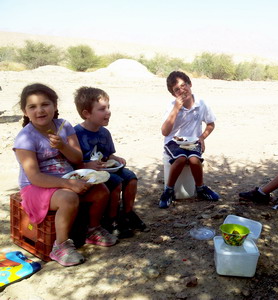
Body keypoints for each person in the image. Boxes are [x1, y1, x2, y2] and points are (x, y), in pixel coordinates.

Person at [13, 83, 117, 267]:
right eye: (33, 106)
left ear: (55, 106)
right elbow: (35, 177)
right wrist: (68, 184)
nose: (40, 110)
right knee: (69, 198)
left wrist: (63, 146)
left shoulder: (63, 126)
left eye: (45, 104)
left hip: (68, 177)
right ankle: (60, 246)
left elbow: (77, 158)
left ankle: (92, 230)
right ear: (25, 111)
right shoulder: (25, 138)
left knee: (101, 190)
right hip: (36, 187)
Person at [73, 86, 146, 238]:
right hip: (89, 173)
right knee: (116, 182)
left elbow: (108, 155)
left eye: (108, 107)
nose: (108, 112)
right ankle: (111, 220)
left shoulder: (104, 132)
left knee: (131, 178)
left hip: (106, 168)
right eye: (102, 109)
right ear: (86, 113)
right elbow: (73, 161)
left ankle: (127, 213)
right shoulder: (76, 134)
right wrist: (86, 165)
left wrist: (116, 159)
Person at [160, 71, 219, 208]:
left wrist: (202, 137)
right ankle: (168, 190)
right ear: (174, 94)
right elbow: (165, 132)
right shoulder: (172, 106)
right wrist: (176, 109)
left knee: (194, 159)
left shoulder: (201, 104)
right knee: (180, 158)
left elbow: (211, 124)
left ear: (190, 84)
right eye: (177, 90)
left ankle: (200, 187)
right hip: (173, 141)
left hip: (193, 141)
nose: (182, 90)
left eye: (183, 85)